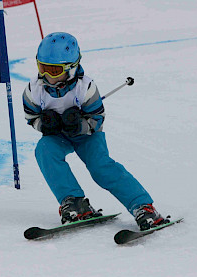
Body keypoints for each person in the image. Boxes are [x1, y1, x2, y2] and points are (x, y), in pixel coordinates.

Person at [22, 32, 168, 230]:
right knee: (44, 151)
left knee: (100, 167)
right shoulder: (33, 90)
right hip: (58, 136)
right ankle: (74, 202)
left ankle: (143, 206)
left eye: (54, 70)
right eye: (42, 67)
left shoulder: (86, 87)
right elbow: (32, 118)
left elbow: (97, 119)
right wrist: (46, 124)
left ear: (71, 69)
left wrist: (81, 125)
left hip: (88, 136)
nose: (47, 75)